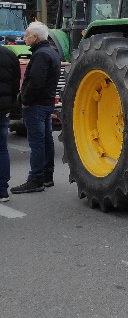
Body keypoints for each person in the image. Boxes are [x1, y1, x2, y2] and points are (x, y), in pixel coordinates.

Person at [10, 21, 60, 194]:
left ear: (36, 37)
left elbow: (36, 82)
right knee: (46, 140)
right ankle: (47, 176)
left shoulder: (40, 55)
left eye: (27, 35)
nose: (24, 38)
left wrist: (25, 99)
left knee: (37, 142)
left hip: (36, 105)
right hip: (46, 103)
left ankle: (35, 179)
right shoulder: (51, 53)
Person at [0, 41, 21, 201]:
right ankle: (2, 190)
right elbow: (16, 82)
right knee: (2, 148)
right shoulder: (10, 54)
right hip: (3, 108)